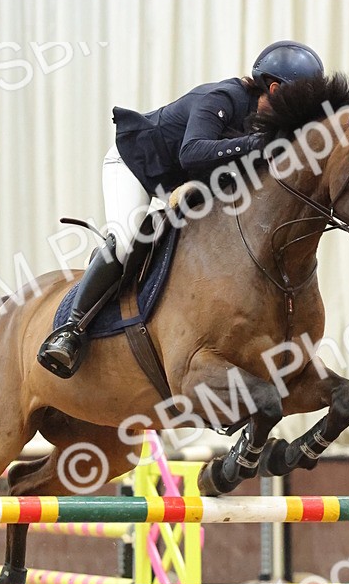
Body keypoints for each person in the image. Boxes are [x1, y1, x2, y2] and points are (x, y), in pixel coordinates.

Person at [37, 40, 324, 376]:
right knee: (127, 240)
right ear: (274, 89)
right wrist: (258, 144)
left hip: (181, 181)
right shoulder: (222, 98)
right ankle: (71, 330)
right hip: (136, 165)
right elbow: (192, 152)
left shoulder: (265, 123)